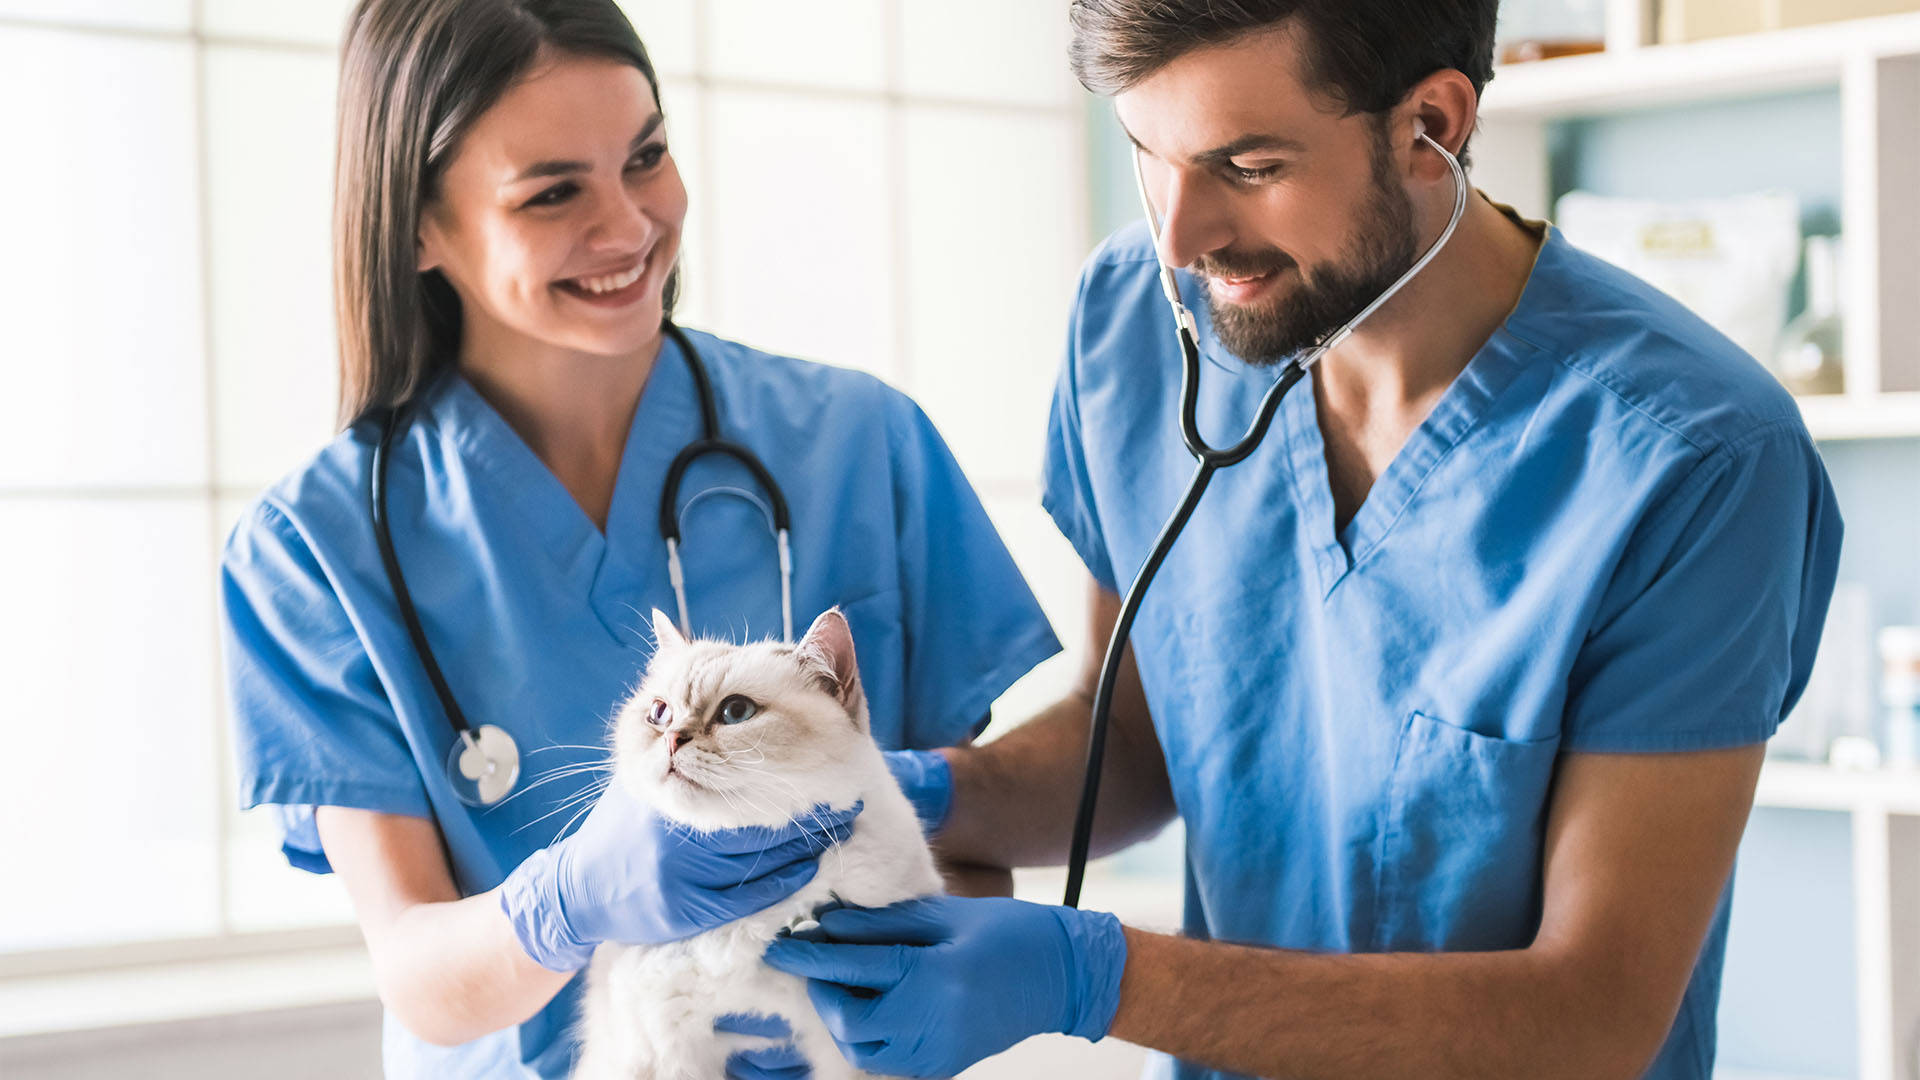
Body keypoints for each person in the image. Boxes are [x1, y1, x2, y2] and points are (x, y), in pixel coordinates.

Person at [765, 2, 1845, 1078]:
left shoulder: (1693, 458)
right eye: (1148, 151)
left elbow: (1590, 1017)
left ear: (1431, 124)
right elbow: (1132, 739)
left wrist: (1090, 977)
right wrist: (918, 793)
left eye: (1247, 165)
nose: (1182, 237)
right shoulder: (1131, 321)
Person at [216, 1, 1058, 1077]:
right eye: (555, 191)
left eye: (647, 156)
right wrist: (570, 898)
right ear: (418, 227)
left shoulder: (858, 445)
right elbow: (418, 968)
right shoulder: (316, 548)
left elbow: (967, 844)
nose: (630, 227)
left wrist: (887, 1004)